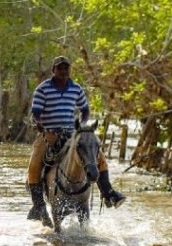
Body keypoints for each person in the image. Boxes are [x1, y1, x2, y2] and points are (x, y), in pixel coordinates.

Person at [26, 56, 126, 226]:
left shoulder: (76, 89)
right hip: (49, 133)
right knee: (35, 163)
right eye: (60, 69)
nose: (63, 72)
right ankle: (39, 206)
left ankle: (109, 193)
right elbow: (36, 113)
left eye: (66, 68)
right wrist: (40, 124)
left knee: (98, 156)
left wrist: (83, 125)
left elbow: (84, 110)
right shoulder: (42, 89)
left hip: (73, 132)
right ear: (53, 70)